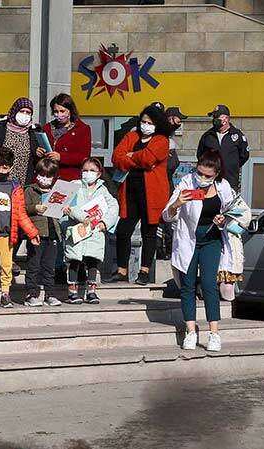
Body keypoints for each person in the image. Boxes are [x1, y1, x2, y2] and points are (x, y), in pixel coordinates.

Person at [162, 151, 238, 351]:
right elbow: (167, 215)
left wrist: (223, 219)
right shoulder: (187, 182)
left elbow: (233, 212)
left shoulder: (223, 186)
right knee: (187, 285)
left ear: (216, 174)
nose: (202, 178)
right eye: (200, 173)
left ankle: (214, 333)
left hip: (212, 239)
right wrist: (177, 204)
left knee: (208, 284)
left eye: (207, 175)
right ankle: (190, 332)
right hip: (188, 240)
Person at [110, 104, 171, 285]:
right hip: (130, 191)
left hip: (152, 193)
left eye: (149, 122)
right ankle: (122, 270)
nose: (145, 125)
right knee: (123, 231)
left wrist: (131, 156)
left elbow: (149, 159)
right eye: (143, 121)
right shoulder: (131, 136)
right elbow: (116, 157)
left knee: (149, 232)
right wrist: (137, 157)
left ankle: (144, 271)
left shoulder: (161, 140)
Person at [0, 147, 38, 309]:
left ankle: (5, 294)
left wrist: (32, 232)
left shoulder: (15, 187)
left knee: (7, 266)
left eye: (5, 167)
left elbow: (20, 213)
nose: (1, 170)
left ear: (10, 167)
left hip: (8, 233)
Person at [62, 157, 118, 304]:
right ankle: (72, 291)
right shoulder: (74, 186)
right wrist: (83, 217)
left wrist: (104, 223)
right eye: (85, 170)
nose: (88, 173)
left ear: (99, 174)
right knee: (74, 260)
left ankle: (91, 291)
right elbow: (69, 207)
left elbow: (113, 207)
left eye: (92, 171)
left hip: (94, 232)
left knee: (93, 260)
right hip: (76, 230)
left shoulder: (103, 190)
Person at [24, 157, 63, 306]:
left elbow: (60, 212)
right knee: (33, 265)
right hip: (37, 233)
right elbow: (23, 208)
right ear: (37, 173)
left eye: (49, 176)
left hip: (52, 233)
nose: (45, 179)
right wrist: (35, 208)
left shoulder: (56, 191)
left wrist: (64, 209)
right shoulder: (30, 189)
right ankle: (31, 294)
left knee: (49, 267)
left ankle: (50, 294)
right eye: (43, 175)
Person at [0, 97, 44, 187]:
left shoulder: (32, 133)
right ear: (15, 111)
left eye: (28, 112)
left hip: (22, 183)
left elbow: (35, 160)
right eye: (22, 111)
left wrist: (38, 154)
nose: (25, 115)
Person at [196, 105, 250, 192]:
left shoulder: (237, 135)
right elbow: (200, 155)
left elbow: (244, 155)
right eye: (214, 117)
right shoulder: (208, 135)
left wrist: (231, 165)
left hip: (230, 181)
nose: (214, 119)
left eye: (217, 117)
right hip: (211, 182)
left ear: (226, 119)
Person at [45, 93, 91, 182]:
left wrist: (61, 157)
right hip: (48, 177)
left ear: (70, 110)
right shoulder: (47, 128)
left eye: (62, 111)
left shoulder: (82, 129)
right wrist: (39, 152)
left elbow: (84, 157)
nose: (59, 115)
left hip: (69, 178)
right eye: (56, 111)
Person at [164, 106, 187, 181]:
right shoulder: (161, 134)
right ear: (170, 118)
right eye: (179, 118)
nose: (180, 121)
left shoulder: (170, 133)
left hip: (168, 177)